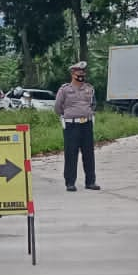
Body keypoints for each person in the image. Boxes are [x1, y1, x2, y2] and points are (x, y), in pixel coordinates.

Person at [55, 61, 99, 192]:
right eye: (78, 72)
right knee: (71, 153)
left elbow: (93, 104)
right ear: (72, 74)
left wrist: (88, 113)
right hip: (71, 125)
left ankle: (90, 181)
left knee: (89, 153)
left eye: (83, 72)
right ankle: (70, 183)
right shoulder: (65, 89)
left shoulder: (89, 88)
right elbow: (58, 107)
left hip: (87, 124)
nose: (81, 74)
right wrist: (68, 115)